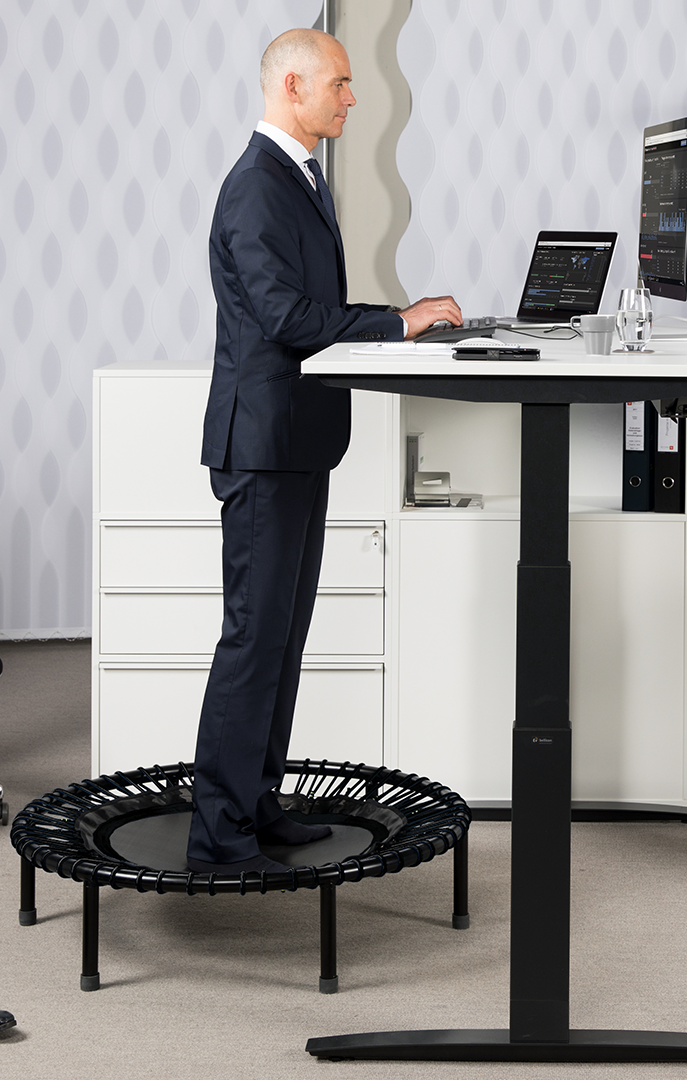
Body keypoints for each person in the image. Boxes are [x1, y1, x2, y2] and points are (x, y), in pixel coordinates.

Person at [187, 28, 462, 874]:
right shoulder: (256, 187)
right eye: (339, 83)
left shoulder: (298, 177)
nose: (352, 97)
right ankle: (218, 833)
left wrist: (397, 324)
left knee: (282, 636)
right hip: (263, 444)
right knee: (253, 637)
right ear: (293, 86)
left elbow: (304, 306)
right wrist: (398, 322)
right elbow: (286, 318)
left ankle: (256, 801)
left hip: (298, 440)